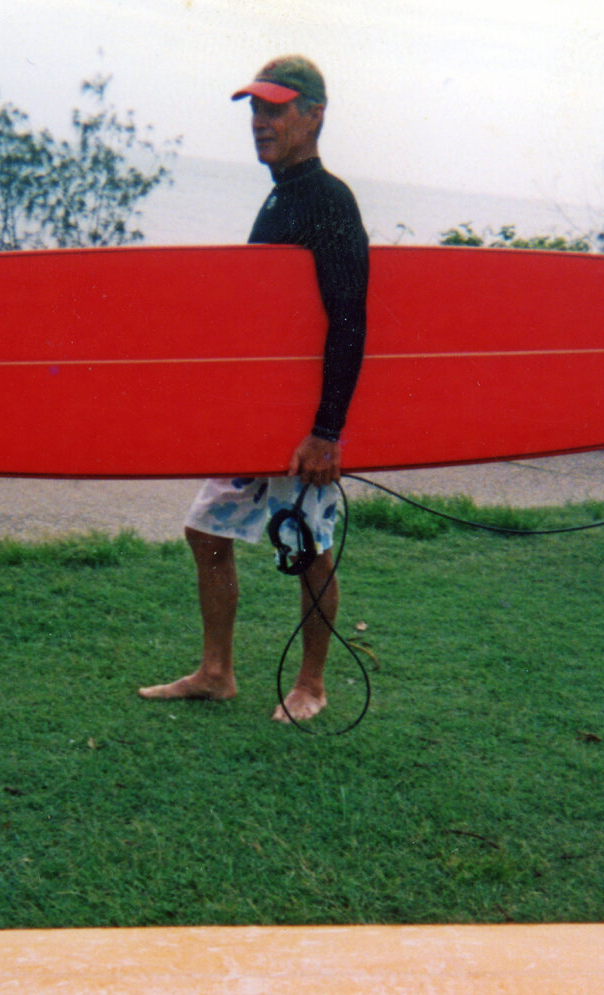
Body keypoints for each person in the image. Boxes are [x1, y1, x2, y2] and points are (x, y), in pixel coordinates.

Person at [138, 55, 369, 723]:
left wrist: (327, 431)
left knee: (307, 547)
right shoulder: (280, 196)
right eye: (255, 111)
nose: (260, 123)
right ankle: (216, 673)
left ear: (314, 115)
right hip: (256, 421)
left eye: (274, 110)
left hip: (302, 426)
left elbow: (350, 319)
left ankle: (314, 687)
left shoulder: (327, 200)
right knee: (205, 530)